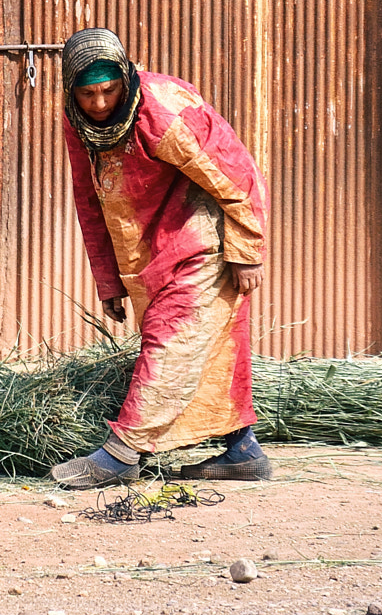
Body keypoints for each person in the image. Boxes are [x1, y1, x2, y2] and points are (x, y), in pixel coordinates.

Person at [47, 27, 272, 488]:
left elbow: (238, 172)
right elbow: (89, 199)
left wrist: (248, 249)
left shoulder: (164, 109)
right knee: (205, 349)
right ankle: (243, 451)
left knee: (171, 343)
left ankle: (123, 452)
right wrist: (108, 280)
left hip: (202, 236)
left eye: (110, 90)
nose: (100, 103)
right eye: (88, 93)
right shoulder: (79, 122)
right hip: (149, 251)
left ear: (125, 78)